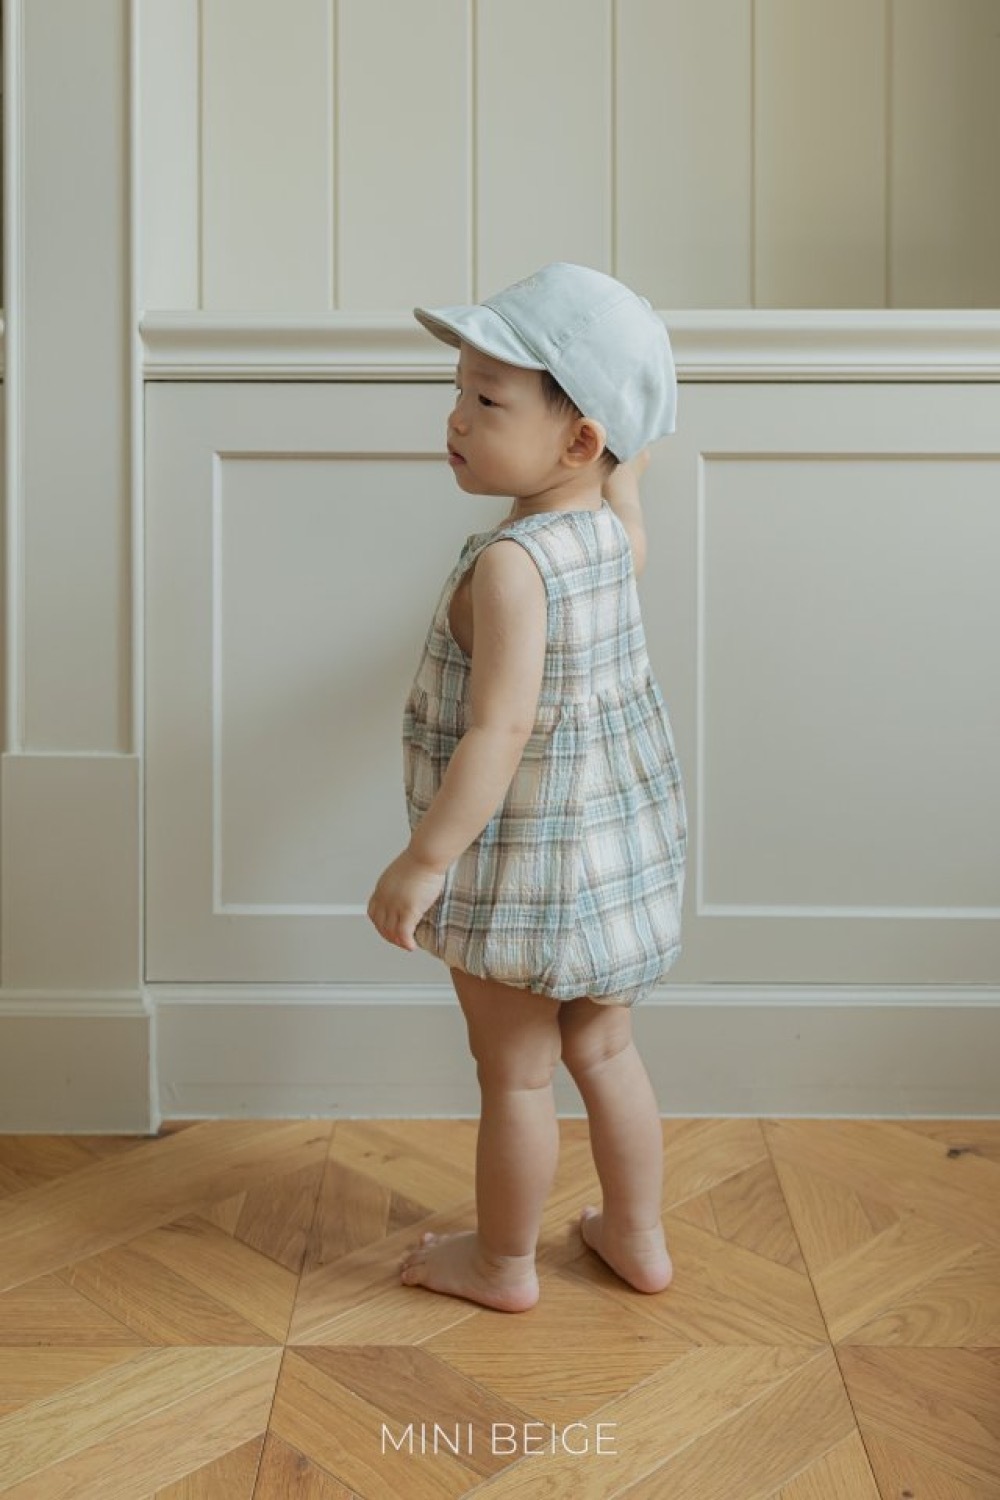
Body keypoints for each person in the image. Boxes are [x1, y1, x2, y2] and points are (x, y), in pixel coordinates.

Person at [367, 263, 687, 1313]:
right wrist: (633, 462)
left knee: (515, 1073)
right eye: (458, 390)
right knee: (606, 1047)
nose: (456, 417)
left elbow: (500, 731)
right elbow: (630, 506)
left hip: (524, 870)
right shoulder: (610, 538)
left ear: (579, 440)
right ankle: (636, 1237)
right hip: (615, 860)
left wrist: (424, 861)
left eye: (489, 400)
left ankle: (503, 1265)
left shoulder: (511, 566)